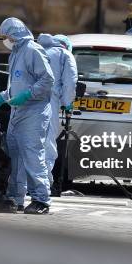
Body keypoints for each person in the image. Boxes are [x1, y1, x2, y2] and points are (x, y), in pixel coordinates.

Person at [0, 17, 54, 214]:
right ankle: (16, 197)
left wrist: (28, 95)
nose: (5, 40)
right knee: (15, 157)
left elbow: (47, 79)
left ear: (15, 34)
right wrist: (0, 99)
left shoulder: (33, 50)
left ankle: (41, 200)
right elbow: (16, 86)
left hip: (33, 112)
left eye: (6, 36)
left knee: (32, 156)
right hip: (18, 113)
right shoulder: (16, 53)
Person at [37, 33, 78, 186]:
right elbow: (70, 82)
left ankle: (24, 184)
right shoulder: (64, 54)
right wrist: (67, 102)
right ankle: (43, 184)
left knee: (29, 142)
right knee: (47, 143)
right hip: (49, 101)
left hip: (28, 101)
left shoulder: (37, 50)